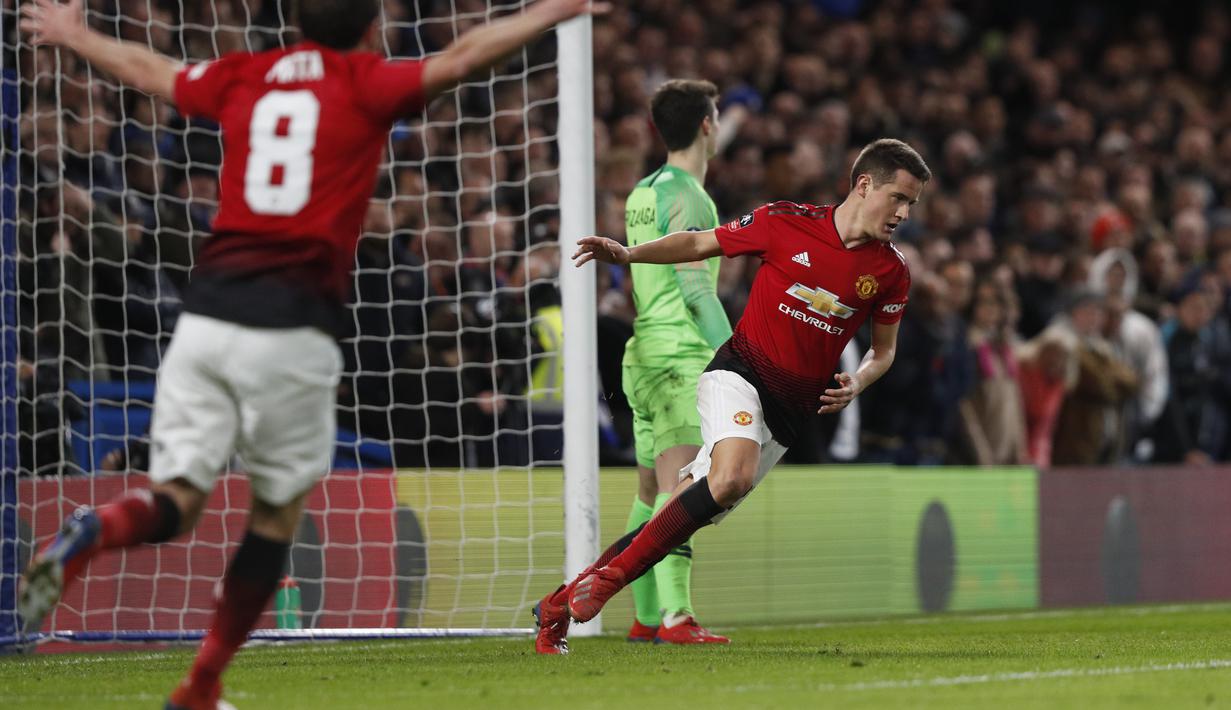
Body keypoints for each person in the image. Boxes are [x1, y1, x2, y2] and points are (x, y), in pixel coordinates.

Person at [16, 0, 604, 707]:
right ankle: (201, 684)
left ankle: (95, 527)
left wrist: (75, 35)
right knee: (273, 517)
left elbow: (154, 71)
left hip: (203, 315)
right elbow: (462, 58)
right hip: (290, 325)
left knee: (174, 500)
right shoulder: (363, 81)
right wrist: (555, 7)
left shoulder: (247, 74)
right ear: (370, 28)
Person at [534, 138, 930, 654]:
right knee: (732, 476)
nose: (903, 213)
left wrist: (860, 380)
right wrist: (630, 254)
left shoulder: (890, 272)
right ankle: (606, 589)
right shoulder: (786, 222)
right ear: (864, 184)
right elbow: (700, 244)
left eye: (911, 205)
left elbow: (883, 351)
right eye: (898, 198)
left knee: (677, 517)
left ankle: (559, 605)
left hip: (788, 415)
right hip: (738, 374)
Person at [619, 79, 730, 645]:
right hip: (679, 355)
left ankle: (643, 616)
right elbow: (694, 290)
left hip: (640, 355)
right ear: (708, 124)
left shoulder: (641, 192)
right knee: (682, 489)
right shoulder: (691, 197)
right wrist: (738, 356)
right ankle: (676, 616)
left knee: (647, 494)